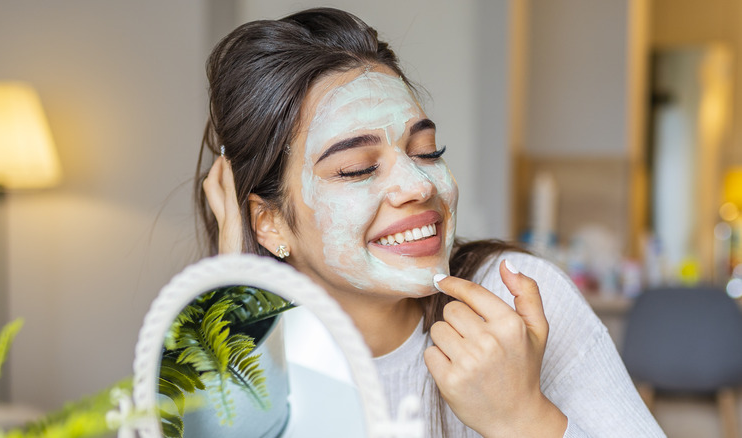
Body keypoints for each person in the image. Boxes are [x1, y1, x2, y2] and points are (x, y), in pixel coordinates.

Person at [195, 7, 665, 438]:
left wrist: (522, 417)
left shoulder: (516, 301)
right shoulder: (243, 357)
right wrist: (225, 301)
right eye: (358, 167)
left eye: (426, 151)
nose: (419, 185)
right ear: (269, 223)